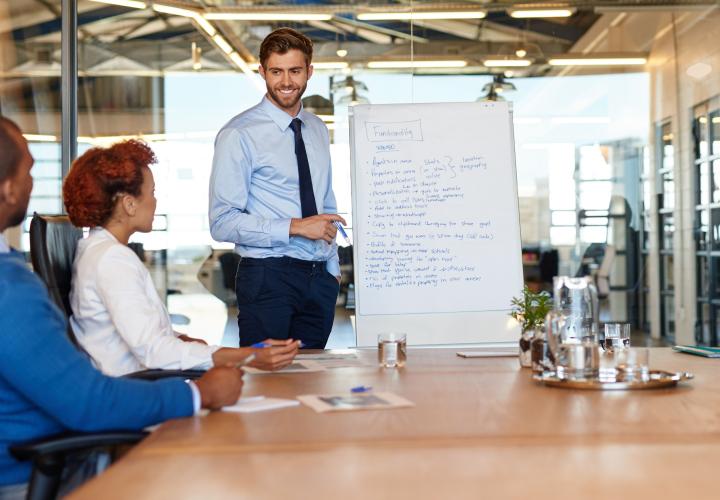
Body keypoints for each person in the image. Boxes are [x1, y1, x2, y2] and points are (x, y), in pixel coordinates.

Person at [0, 117, 243, 499]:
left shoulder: (14, 272)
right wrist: (201, 394)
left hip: (57, 448)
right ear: (9, 187)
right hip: (38, 471)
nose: (35, 182)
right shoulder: (9, 291)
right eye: (29, 169)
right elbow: (89, 403)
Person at [63, 139, 299, 377]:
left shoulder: (97, 250)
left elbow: (139, 331)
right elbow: (153, 350)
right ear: (129, 204)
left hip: (138, 379)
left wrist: (183, 340)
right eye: (152, 192)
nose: (155, 201)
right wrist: (249, 356)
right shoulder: (112, 259)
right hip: (135, 388)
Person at [209, 27, 344, 349]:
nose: (286, 81)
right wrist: (297, 228)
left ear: (309, 71)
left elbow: (325, 201)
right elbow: (222, 222)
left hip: (319, 279)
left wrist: (332, 270)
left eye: (295, 71)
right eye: (276, 71)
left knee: (311, 381)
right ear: (262, 72)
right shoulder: (239, 134)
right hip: (268, 278)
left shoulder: (316, 129)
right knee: (267, 385)